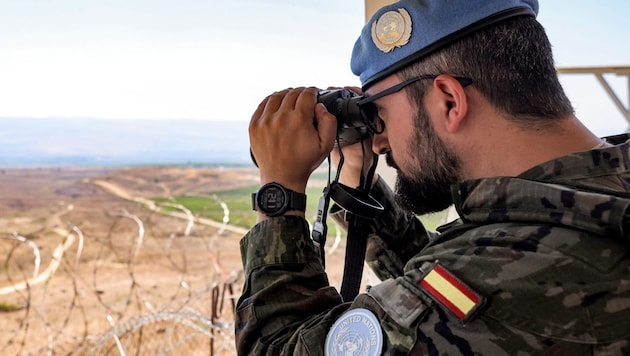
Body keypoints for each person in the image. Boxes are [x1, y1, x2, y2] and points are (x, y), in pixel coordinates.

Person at [237, 0, 630, 354]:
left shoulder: (510, 270)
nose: (380, 140)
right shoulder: (589, 200)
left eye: (381, 114)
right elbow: (443, 292)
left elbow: (277, 347)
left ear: (449, 100)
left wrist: (279, 194)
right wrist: (360, 177)